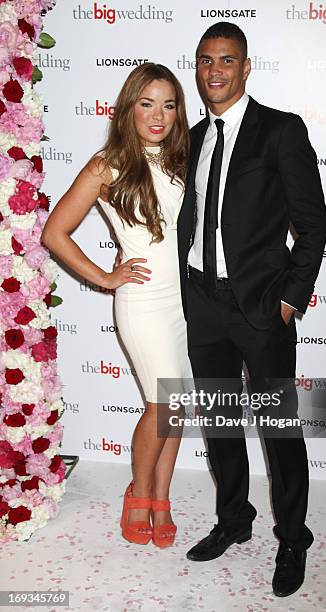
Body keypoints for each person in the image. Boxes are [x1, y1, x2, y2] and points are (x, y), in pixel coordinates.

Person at [177, 23, 326, 596]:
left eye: (226, 60)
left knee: (280, 428)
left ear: (246, 67)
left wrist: (291, 297)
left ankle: (293, 537)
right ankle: (234, 519)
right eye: (205, 61)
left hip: (262, 308)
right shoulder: (191, 137)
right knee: (219, 424)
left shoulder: (281, 131)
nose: (214, 71)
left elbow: (312, 224)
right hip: (203, 302)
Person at [41, 63, 192, 548]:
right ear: (128, 107)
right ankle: (139, 493)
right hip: (143, 301)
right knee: (163, 403)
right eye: (147, 103)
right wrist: (107, 277)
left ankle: (162, 498)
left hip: (188, 300)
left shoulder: (183, 157)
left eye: (168, 105)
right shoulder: (107, 163)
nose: (158, 115)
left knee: (179, 406)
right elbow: (54, 232)